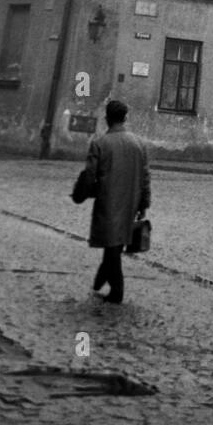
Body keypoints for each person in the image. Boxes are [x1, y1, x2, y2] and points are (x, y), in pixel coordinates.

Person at [83, 98, 150, 305]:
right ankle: (100, 279)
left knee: (112, 245)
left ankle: (116, 291)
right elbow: (145, 176)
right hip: (130, 201)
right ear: (125, 118)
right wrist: (144, 203)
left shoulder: (100, 144)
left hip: (108, 201)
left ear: (107, 119)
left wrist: (82, 193)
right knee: (115, 243)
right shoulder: (139, 144)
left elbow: (89, 175)